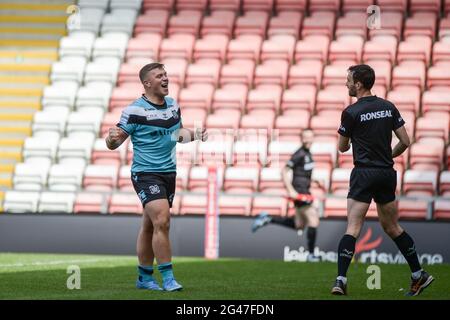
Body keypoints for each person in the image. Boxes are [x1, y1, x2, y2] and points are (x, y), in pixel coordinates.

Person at [331, 64, 434, 296]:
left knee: (353, 227)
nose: (346, 83)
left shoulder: (351, 112)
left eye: (348, 80)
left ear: (358, 84)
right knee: (392, 226)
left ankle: (340, 280)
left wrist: (351, 139)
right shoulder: (388, 107)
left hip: (364, 174)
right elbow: (405, 141)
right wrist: (388, 155)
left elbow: (342, 147)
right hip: (386, 173)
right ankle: (419, 274)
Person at [106, 63, 207, 292]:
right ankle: (168, 278)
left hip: (168, 173)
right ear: (147, 83)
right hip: (145, 174)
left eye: (166, 75)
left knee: (150, 225)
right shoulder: (134, 110)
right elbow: (114, 142)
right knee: (162, 220)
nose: (165, 79)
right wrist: (111, 139)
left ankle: (143, 278)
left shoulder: (173, 105)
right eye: (159, 76)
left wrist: (195, 134)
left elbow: (178, 134)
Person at [252, 129, 322, 262]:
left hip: (304, 191)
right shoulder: (299, 154)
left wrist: (314, 181)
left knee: (299, 225)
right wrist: (290, 190)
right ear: (302, 139)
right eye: (305, 137)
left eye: (310, 137)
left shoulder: (308, 153)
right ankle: (312, 255)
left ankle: (268, 219)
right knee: (313, 221)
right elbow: (284, 171)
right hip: (300, 193)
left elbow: (302, 174)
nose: (308, 140)